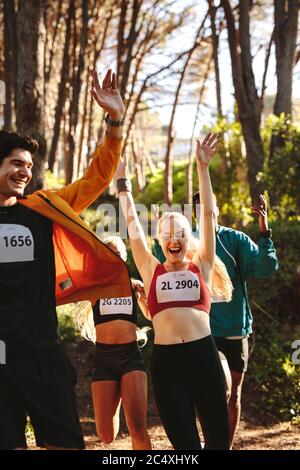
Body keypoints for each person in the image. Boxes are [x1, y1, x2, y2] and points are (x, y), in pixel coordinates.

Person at [0, 69, 132, 450]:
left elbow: (97, 178)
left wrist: (115, 123)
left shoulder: (43, 208)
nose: (25, 172)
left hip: (42, 355)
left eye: (28, 166)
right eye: (15, 163)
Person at [116, 133, 231, 450]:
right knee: (185, 446)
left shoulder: (202, 264)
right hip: (167, 364)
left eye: (180, 232)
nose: (173, 239)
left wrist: (202, 168)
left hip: (203, 358)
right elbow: (133, 227)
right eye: (166, 235)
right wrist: (123, 183)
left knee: (219, 443)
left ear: (188, 237)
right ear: (160, 242)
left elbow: (207, 214)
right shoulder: (151, 270)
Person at [154, 191, 278, 447]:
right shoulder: (188, 242)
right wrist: (161, 229)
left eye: (208, 208)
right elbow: (163, 263)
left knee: (233, 396)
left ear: (216, 210)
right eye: (198, 209)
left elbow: (265, 267)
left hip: (234, 330)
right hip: (203, 335)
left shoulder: (234, 240)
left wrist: (264, 231)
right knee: (214, 394)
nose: (204, 213)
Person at [76, 235, 151, 450]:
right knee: (106, 436)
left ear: (124, 257)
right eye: (108, 254)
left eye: (117, 254)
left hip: (130, 358)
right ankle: (117, 396)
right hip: (104, 360)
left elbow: (152, 315)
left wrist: (146, 295)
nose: (113, 258)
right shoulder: (95, 288)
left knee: (137, 427)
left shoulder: (134, 286)